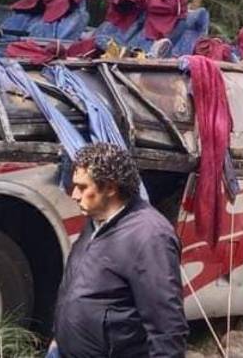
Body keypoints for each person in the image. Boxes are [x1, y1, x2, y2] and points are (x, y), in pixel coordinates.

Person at [49, 143, 188, 357]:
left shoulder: (150, 236)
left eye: (83, 187)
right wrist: (59, 337)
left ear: (111, 188)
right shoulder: (96, 220)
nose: (74, 194)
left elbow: (167, 325)